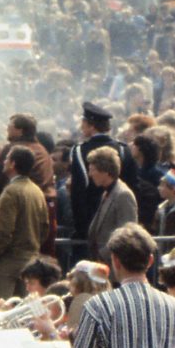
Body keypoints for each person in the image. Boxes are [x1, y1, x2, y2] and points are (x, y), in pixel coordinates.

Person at [0, 149, 49, 300]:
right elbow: (44, 227)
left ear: (13, 164)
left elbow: (3, 231)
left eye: (7, 159)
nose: (4, 161)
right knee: (27, 310)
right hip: (30, 260)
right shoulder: (37, 192)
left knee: (0, 311)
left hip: (7, 262)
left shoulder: (11, 192)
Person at [66, 100, 119, 243]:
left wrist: (81, 229)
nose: (81, 126)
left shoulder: (79, 151)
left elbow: (78, 191)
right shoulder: (123, 149)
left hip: (91, 221)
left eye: (83, 122)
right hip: (117, 222)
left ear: (91, 125)